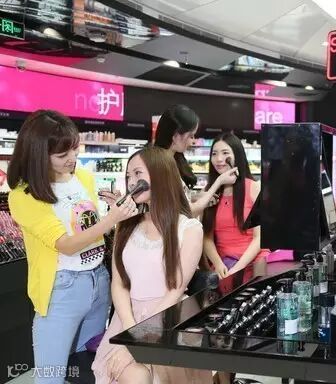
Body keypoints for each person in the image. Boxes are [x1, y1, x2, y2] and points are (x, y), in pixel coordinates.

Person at [7, 110, 138, 384]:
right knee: (50, 376)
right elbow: (65, 245)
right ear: (38, 154)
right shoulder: (24, 195)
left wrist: (112, 214)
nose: (72, 158)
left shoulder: (84, 177)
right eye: (62, 154)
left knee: (88, 368)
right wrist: (112, 219)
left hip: (99, 281)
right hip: (62, 289)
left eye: (75, 148)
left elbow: (91, 231)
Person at [92, 147, 212, 384]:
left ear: (160, 175)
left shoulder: (189, 229)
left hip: (169, 319)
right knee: (133, 377)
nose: (131, 182)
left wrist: (137, 341)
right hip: (127, 320)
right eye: (128, 176)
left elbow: (175, 290)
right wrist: (130, 336)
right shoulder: (125, 225)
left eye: (138, 174)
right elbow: (119, 284)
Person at [202, 132, 269, 279]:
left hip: (255, 262)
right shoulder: (209, 192)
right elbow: (206, 237)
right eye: (214, 153)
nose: (219, 159)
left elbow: (259, 237)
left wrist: (238, 268)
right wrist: (218, 264)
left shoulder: (254, 188)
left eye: (225, 153)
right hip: (224, 265)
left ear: (237, 155)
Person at [154, 104, 237, 218]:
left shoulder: (171, 161)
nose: (192, 141)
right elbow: (188, 212)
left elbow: (174, 203)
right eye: (190, 136)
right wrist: (219, 182)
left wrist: (195, 197)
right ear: (176, 136)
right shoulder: (160, 166)